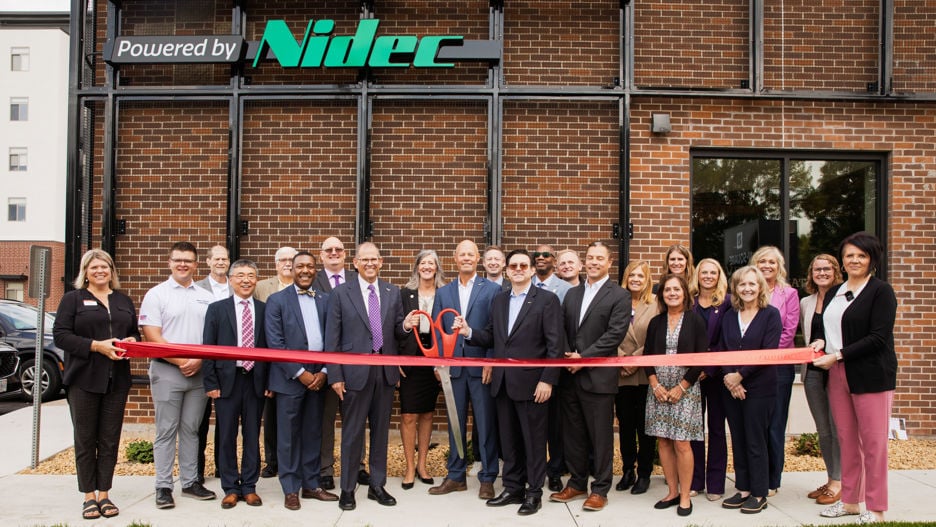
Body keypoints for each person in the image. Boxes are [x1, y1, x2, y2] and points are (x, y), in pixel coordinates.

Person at [455, 249, 564, 516]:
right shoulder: (500, 301)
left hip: (533, 386)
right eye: (513, 265)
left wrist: (548, 380)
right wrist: (468, 331)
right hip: (503, 384)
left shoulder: (547, 300)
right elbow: (492, 336)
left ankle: (534, 492)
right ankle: (513, 487)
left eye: (523, 265)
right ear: (506, 271)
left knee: (534, 442)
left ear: (530, 270)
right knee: (510, 441)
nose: (517, 269)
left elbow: (555, 345)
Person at [811, 232, 897, 524]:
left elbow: (878, 337)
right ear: (843, 261)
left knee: (873, 444)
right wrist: (820, 343)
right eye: (850, 255)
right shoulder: (836, 290)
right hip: (837, 374)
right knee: (847, 440)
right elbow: (828, 327)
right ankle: (849, 502)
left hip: (871, 375)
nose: (855, 260)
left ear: (872, 259)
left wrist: (837, 355)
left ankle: (877, 509)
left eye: (862, 255)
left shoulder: (881, 291)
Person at [324, 242, 417, 511]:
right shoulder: (342, 293)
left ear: (381, 261)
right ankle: (348, 488)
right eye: (364, 259)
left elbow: (398, 332)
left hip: (384, 372)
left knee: (380, 433)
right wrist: (335, 375)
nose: (370, 264)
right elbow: (333, 338)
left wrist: (406, 326)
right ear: (355, 262)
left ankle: (377, 485)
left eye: (374, 259)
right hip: (354, 373)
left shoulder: (392, 291)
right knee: (353, 433)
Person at [53, 249, 139, 520]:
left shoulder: (123, 300)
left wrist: (133, 342)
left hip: (117, 379)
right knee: (86, 438)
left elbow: (133, 331)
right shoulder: (73, 299)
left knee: (110, 438)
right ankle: (88, 495)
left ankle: (105, 493)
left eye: (105, 267)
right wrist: (95, 346)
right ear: (85, 272)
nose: (100, 271)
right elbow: (61, 336)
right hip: (84, 379)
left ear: (112, 271)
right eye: (94, 268)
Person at [551, 241, 631, 512]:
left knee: (600, 436)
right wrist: (567, 356)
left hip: (598, 377)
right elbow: (560, 328)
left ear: (609, 263)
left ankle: (600, 489)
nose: (594, 262)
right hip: (570, 376)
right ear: (584, 263)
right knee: (573, 434)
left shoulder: (619, 295)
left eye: (600, 258)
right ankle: (576, 483)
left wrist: (582, 358)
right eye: (590, 258)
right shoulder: (573, 294)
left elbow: (615, 334)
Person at [139, 242, 217, 509]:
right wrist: (183, 361)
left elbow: (213, 335)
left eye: (188, 260)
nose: (183, 264)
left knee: (191, 430)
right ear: (169, 262)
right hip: (166, 371)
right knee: (166, 430)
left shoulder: (207, 296)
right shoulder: (157, 294)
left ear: (196, 264)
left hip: (199, 373)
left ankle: (190, 482)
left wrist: (199, 360)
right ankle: (163, 486)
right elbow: (152, 335)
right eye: (178, 260)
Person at [264, 251, 338, 510]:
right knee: (288, 436)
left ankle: (311, 484)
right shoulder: (276, 301)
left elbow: (333, 338)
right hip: (289, 380)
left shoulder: (326, 300)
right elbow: (275, 343)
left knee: (312, 433)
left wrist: (325, 372)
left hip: (319, 378)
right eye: (300, 266)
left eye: (309, 266)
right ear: (290, 269)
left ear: (315, 270)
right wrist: (300, 373)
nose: (305, 270)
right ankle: (290, 488)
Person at [428, 240, 501, 500]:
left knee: (485, 424)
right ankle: (456, 475)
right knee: (454, 424)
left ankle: (488, 477)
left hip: (481, 367)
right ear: (455, 259)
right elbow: (438, 329)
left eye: (471, 254)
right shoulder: (444, 292)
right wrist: (439, 361)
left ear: (477, 258)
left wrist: (491, 361)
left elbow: (496, 330)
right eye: (462, 254)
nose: (467, 258)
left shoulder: (491, 290)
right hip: (453, 370)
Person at [202, 259, 270, 509]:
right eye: (240, 275)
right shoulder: (217, 309)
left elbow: (270, 348)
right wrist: (210, 381)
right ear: (230, 280)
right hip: (226, 382)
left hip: (255, 381)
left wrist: (269, 381)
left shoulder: (265, 309)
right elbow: (208, 347)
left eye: (251, 275)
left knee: (252, 435)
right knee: (226, 435)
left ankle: (249, 486)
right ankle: (230, 487)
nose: (245, 280)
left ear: (256, 280)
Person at [716, 265, 782, 514]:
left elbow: (768, 351)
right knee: (739, 439)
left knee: (756, 440)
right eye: (742, 284)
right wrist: (730, 379)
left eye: (752, 284)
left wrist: (740, 375)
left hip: (760, 387)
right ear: (735, 288)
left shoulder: (771, 315)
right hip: (731, 388)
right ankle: (743, 488)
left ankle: (759, 492)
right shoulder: (729, 315)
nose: (747, 288)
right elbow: (723, 349)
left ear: (761, 287)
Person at [644, 274, 707, 517]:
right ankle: (671, 491)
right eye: (667, 290)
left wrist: (681, 386)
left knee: (682, 442)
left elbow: (701, 357)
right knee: (664, 440)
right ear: (662, 295)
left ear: (685, 294)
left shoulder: (696, 320)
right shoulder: (656, 322)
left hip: (686, 388)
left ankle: (684, 497)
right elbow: (647, 356)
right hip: (658, 387)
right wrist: (655, 384)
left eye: (676, 289)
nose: (672, 293)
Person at [310, 236, 364, 491]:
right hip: (326, 361)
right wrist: (325, 366)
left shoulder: (358, 279)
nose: (334, 253)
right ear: (321, 256)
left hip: (356, 362)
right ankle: (325, 469)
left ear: (345, 255)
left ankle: (359, 466)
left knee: (357, 417)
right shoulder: (314, 280)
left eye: (338, 249)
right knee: (326, 419)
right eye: (328, 250)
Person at [750, 245, 800, 496]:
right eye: (762, 261)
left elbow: (789, 332)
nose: (767, 266)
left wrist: (764, 355)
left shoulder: (789, 294)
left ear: (778, 266)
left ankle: (772, 479)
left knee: (775, 424)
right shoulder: (748, 292)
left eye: (771, 262)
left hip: (778, 368)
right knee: (755, 425)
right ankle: (753, 476)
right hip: (750, 370)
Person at [799, 254, 843, 506]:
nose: (822, 273)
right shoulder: (806, 302)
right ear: (811, 273)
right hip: (813, 373)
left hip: (837, 368)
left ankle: (840, 482)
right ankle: (831, 478)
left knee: (839, 428)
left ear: (836, 271)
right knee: (824, 430)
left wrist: (828, 346)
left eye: (827, 268)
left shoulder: (844, 298)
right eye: (817, 269)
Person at [398, 250, 444, 490]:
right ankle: (408, 467)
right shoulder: (404, 294)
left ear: (437, 268)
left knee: (427, 413)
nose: (427, 267)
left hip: (434, 361)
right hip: (411, 360)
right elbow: (394, 327)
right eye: (423, 263)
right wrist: (406, 326)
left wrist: (443, 362)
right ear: (416, 267)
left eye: (431, 263)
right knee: (408, 414)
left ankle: (422, 465)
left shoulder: (445, 293)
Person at [688, 258, 732, 501]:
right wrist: (695, 368)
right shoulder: (689, 302)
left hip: (716, 375)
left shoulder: (727, 303)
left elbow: (726, 339)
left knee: (716, 428)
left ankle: (715, 483)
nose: (707, 276)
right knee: (695, 429)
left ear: (719, 276)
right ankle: (695, 480)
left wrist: (709, 366)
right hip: (692, 376)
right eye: (703, 272)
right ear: (697, 275)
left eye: (712, 272)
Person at [614, 260, 658, 495]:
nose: (636, 280)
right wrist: (622, 358)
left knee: (645, 427)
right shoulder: (617, 302)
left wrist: (635, 359)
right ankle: (627, 470)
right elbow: (609, 332)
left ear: (647, 279)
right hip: (621, 374)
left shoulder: (655, 304)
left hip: (644, 374)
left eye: (641, 276)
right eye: (632, 275)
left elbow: (656, 337)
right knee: (626, 426)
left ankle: (644, 473)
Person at [253, 245, 297, 480]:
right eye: (283, 260)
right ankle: (272, 461)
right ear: (276, 264)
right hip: (271, 361)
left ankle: (293, 460)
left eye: (292, 259)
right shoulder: (261, 288)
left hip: (299, 362)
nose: (288, 263)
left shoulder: (305, 286)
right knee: (271, 417)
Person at [195, 244, 232, 484]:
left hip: (229, 367)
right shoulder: (195, 289)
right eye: (216, 259)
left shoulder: (236, 287)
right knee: (199, 420)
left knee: (225, 421)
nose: (221, 262)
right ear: (208, 262)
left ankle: (222, 467)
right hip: (201, 362)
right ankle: (196, 470)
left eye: (225, 259)